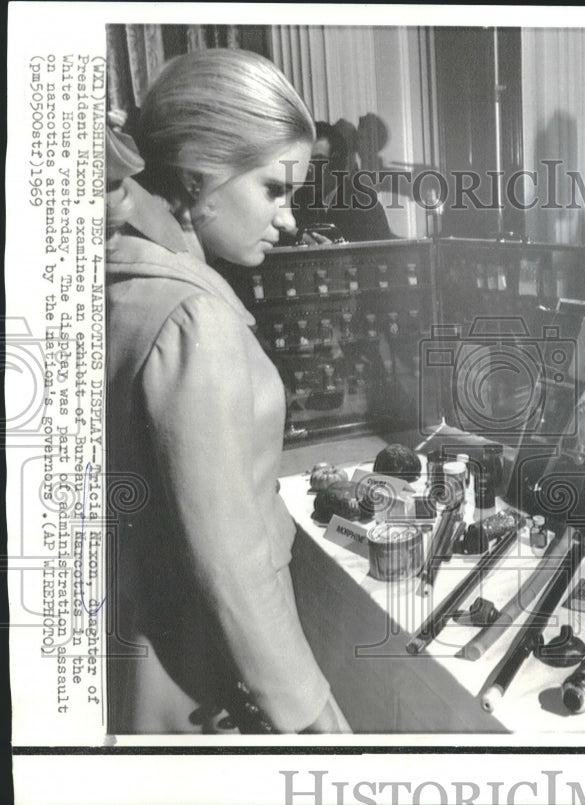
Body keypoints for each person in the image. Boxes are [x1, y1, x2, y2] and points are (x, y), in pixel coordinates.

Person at [105, 49, 348, 734]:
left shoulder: (123, 268)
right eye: (275, 189)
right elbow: (231, 564)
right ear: (199, 171)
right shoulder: (194, 317)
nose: (291, 220)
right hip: (199, 670)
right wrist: (317, 720)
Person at [291, 118, 394, 243]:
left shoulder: (367, 208)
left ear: (337, 163)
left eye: (318, 160)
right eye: (305, 160)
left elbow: (383, 259)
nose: (309, 169)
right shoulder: (293, 203)